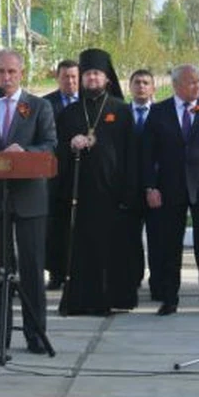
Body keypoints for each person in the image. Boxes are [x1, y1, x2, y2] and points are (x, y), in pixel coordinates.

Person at [0, 49, 56, 355]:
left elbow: (49, 144)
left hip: (29, 198)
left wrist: (28, 152)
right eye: (1, 72)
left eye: (11, 72)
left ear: (21, 73)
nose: (5, 78)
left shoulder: (38, 106)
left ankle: (35, 334)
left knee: (32, 269)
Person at [56, 48, 136, 315]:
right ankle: (81, 301)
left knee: (113, 248)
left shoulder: (121, 111)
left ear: (107, 79)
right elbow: (57, 152)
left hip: (113, 193)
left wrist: (129, 191)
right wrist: (71, 145)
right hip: (80, 194)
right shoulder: (69, 114)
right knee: (81, 250)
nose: (92, 79)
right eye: (87, 74)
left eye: (97, 74)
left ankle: (116, 299)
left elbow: (130, 152)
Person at [142, 64, 199, 316]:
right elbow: (147, 154)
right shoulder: (158, 112)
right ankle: (169, 297)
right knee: (169, 245)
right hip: (169, 187)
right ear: (176, 85)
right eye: (191, 82)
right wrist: (150, 186)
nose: (197, 86)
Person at [43, 59, 79, 291]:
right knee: (54, 227)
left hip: (81, 174)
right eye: (66, 77)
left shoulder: (88, 102)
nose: (70, 81)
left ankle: (77, 272)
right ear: (58, 78)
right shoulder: (46, 103)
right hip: (54, 175)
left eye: (74, 77)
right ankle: (56, 273)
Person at [128, 69, 155, 295]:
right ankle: (133, 278)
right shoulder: (121, 113)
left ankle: (158, 282)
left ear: (153, 87)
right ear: (130, 86)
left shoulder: (162, 113)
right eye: (137, 82)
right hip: (130, 187)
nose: (141, 87)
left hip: (156, 187)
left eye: (146, 83)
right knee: (130, 237)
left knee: (158, 237)